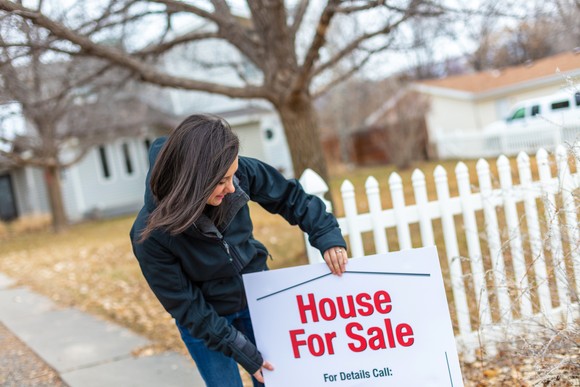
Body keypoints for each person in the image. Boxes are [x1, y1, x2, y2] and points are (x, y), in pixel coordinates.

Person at [130, 114, 347, 387]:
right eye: (222, 181)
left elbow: (290, 196)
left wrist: (326, 234)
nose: (232, 187)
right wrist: (242, 351)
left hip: (257, 298)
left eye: (233, 176)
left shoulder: (234, 172)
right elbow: (187, 306)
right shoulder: (148, 235)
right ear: (194, 180)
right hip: (205, 319)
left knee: (279, 381)